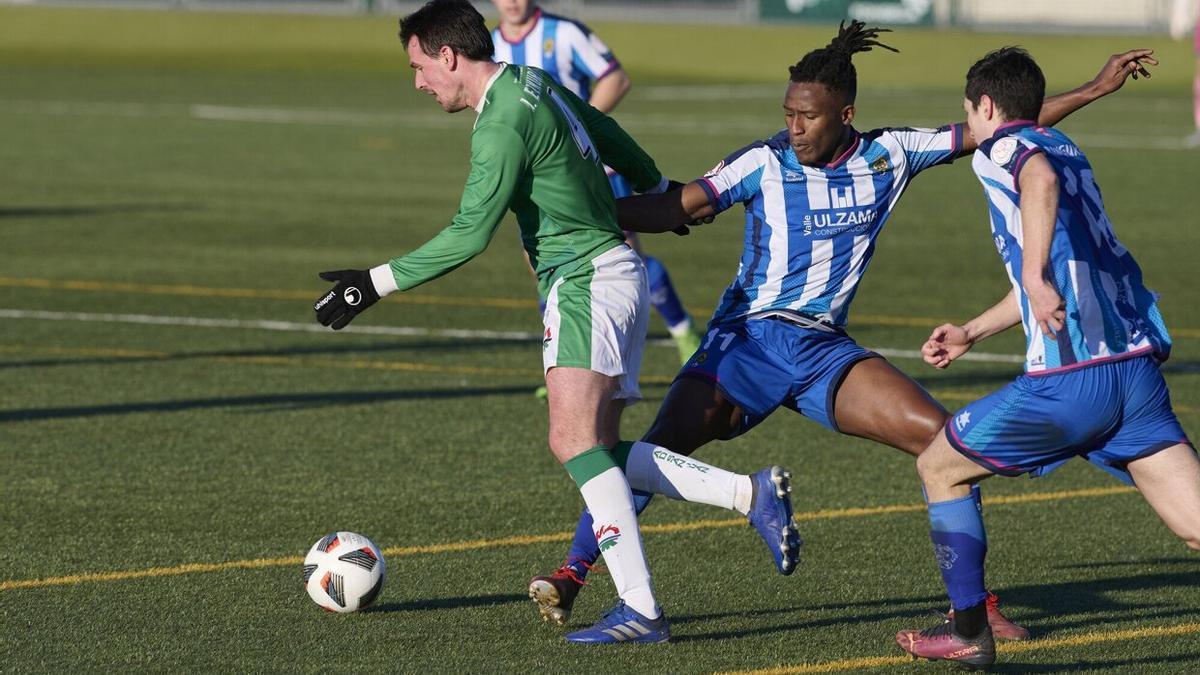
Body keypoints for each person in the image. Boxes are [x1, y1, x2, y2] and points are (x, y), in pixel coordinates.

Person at [526, 21, 1156, 639]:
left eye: (809, 116)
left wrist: (1094, 90)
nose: (794, 127)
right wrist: (579, 212)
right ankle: (574, 573)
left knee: (946, 445)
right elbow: (676, 206)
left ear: (846, 114)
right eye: (789, 112)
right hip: (748, 341)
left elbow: (1004, 126)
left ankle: (976, 607)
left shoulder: (892, 153)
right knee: (661, 444)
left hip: (825, 351)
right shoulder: (764, 161)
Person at [312, 0, 797, 645]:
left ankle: (643, 610)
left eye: (419, 66)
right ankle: (748, 495)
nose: (418, 83)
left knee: (572, 444)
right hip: (613, 273)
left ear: (449, 56)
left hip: (585, 282)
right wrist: (656, 187)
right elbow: (602, 125)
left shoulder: (499, 125)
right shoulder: (527, 80)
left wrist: (368, 286)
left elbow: (468, 235)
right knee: (597, 452)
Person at [892, 47, 1198, 670]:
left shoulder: (1004, 151)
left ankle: (970, 631)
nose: (968, 128)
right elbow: (1063, 262)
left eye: (969, 113)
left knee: (941, 467)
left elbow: (1037, 182)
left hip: (1070, 384)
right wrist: (975, 329)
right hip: (1134, 375)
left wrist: (1032, 276)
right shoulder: (1067, 147)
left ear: (984, 106)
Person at [489, 0, 703, 367]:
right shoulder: (490, 45)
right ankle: (559, 360)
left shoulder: (565, 33)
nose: (512, 1)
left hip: (593, 169)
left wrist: (574, 128)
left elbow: (616, 78)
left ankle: (685, 336)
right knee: (542, 261)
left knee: (626, 257)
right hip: (537, 179)